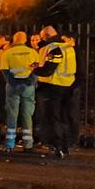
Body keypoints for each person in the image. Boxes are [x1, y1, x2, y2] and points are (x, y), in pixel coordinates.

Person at [33, 26, 76, 158]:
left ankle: (56, 146)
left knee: (53, 118)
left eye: (42, 37)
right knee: (64, 117)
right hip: (68, 86)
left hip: (53, 86)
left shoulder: (53, 48)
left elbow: (49, 69)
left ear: (46, 36)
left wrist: (34, 69)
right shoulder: (68, 47)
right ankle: (66, 145)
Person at [2, 31, 39, 153]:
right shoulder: (32, 52)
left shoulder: (8, 53)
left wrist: (14, 83)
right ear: (25, 40)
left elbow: (5, 71)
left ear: (14, 39)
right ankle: (28, 144)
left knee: (12, 115)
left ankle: (9, 144)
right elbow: (36, 70)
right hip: (28, 86)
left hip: (13, 86)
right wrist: (29, 82)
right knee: (27, 115)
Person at [60, 33, 82, 148]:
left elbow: (80, 70)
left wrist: (75, 85)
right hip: (65, 85)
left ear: (71, 40)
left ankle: (72, 139)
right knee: (64, 114)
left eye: (65, 40)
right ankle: (66, 139)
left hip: (73, 86)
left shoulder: (75, 52)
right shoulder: (66, 51)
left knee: (71, 114)